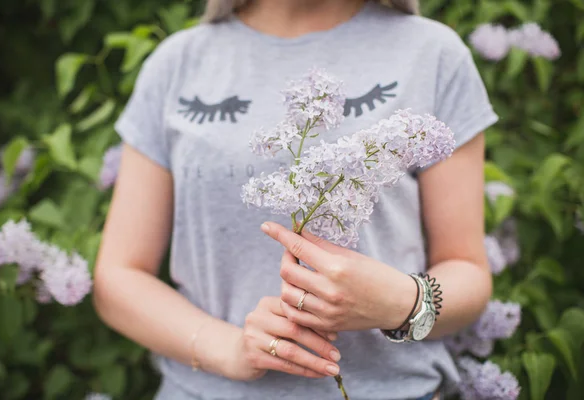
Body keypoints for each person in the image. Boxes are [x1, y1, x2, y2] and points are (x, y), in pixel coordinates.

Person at [93, 0, 497, 399]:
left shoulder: (433, 54)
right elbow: (119, 277)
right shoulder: (177, 63)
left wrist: (397, 301)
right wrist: (228, 348)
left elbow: (467, 272)